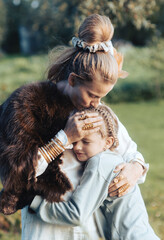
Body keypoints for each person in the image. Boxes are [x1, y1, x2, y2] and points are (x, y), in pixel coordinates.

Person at [0, 14, 146, 239]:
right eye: (92, 95)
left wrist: (134, 170)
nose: (96, 104)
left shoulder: (94, 109)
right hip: (46, 229)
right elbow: (14, 177)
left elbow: (131, 153)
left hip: (89, 228)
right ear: (72, 80)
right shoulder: (26, 107)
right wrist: (64, 138)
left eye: (101, 97)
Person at [30, 105, 160, 240]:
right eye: (75, 141)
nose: (77, 147)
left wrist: (35, 202)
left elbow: (76, 214)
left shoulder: (100, 163)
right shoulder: (112, 159)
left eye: (86, 142)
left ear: (108, 142)